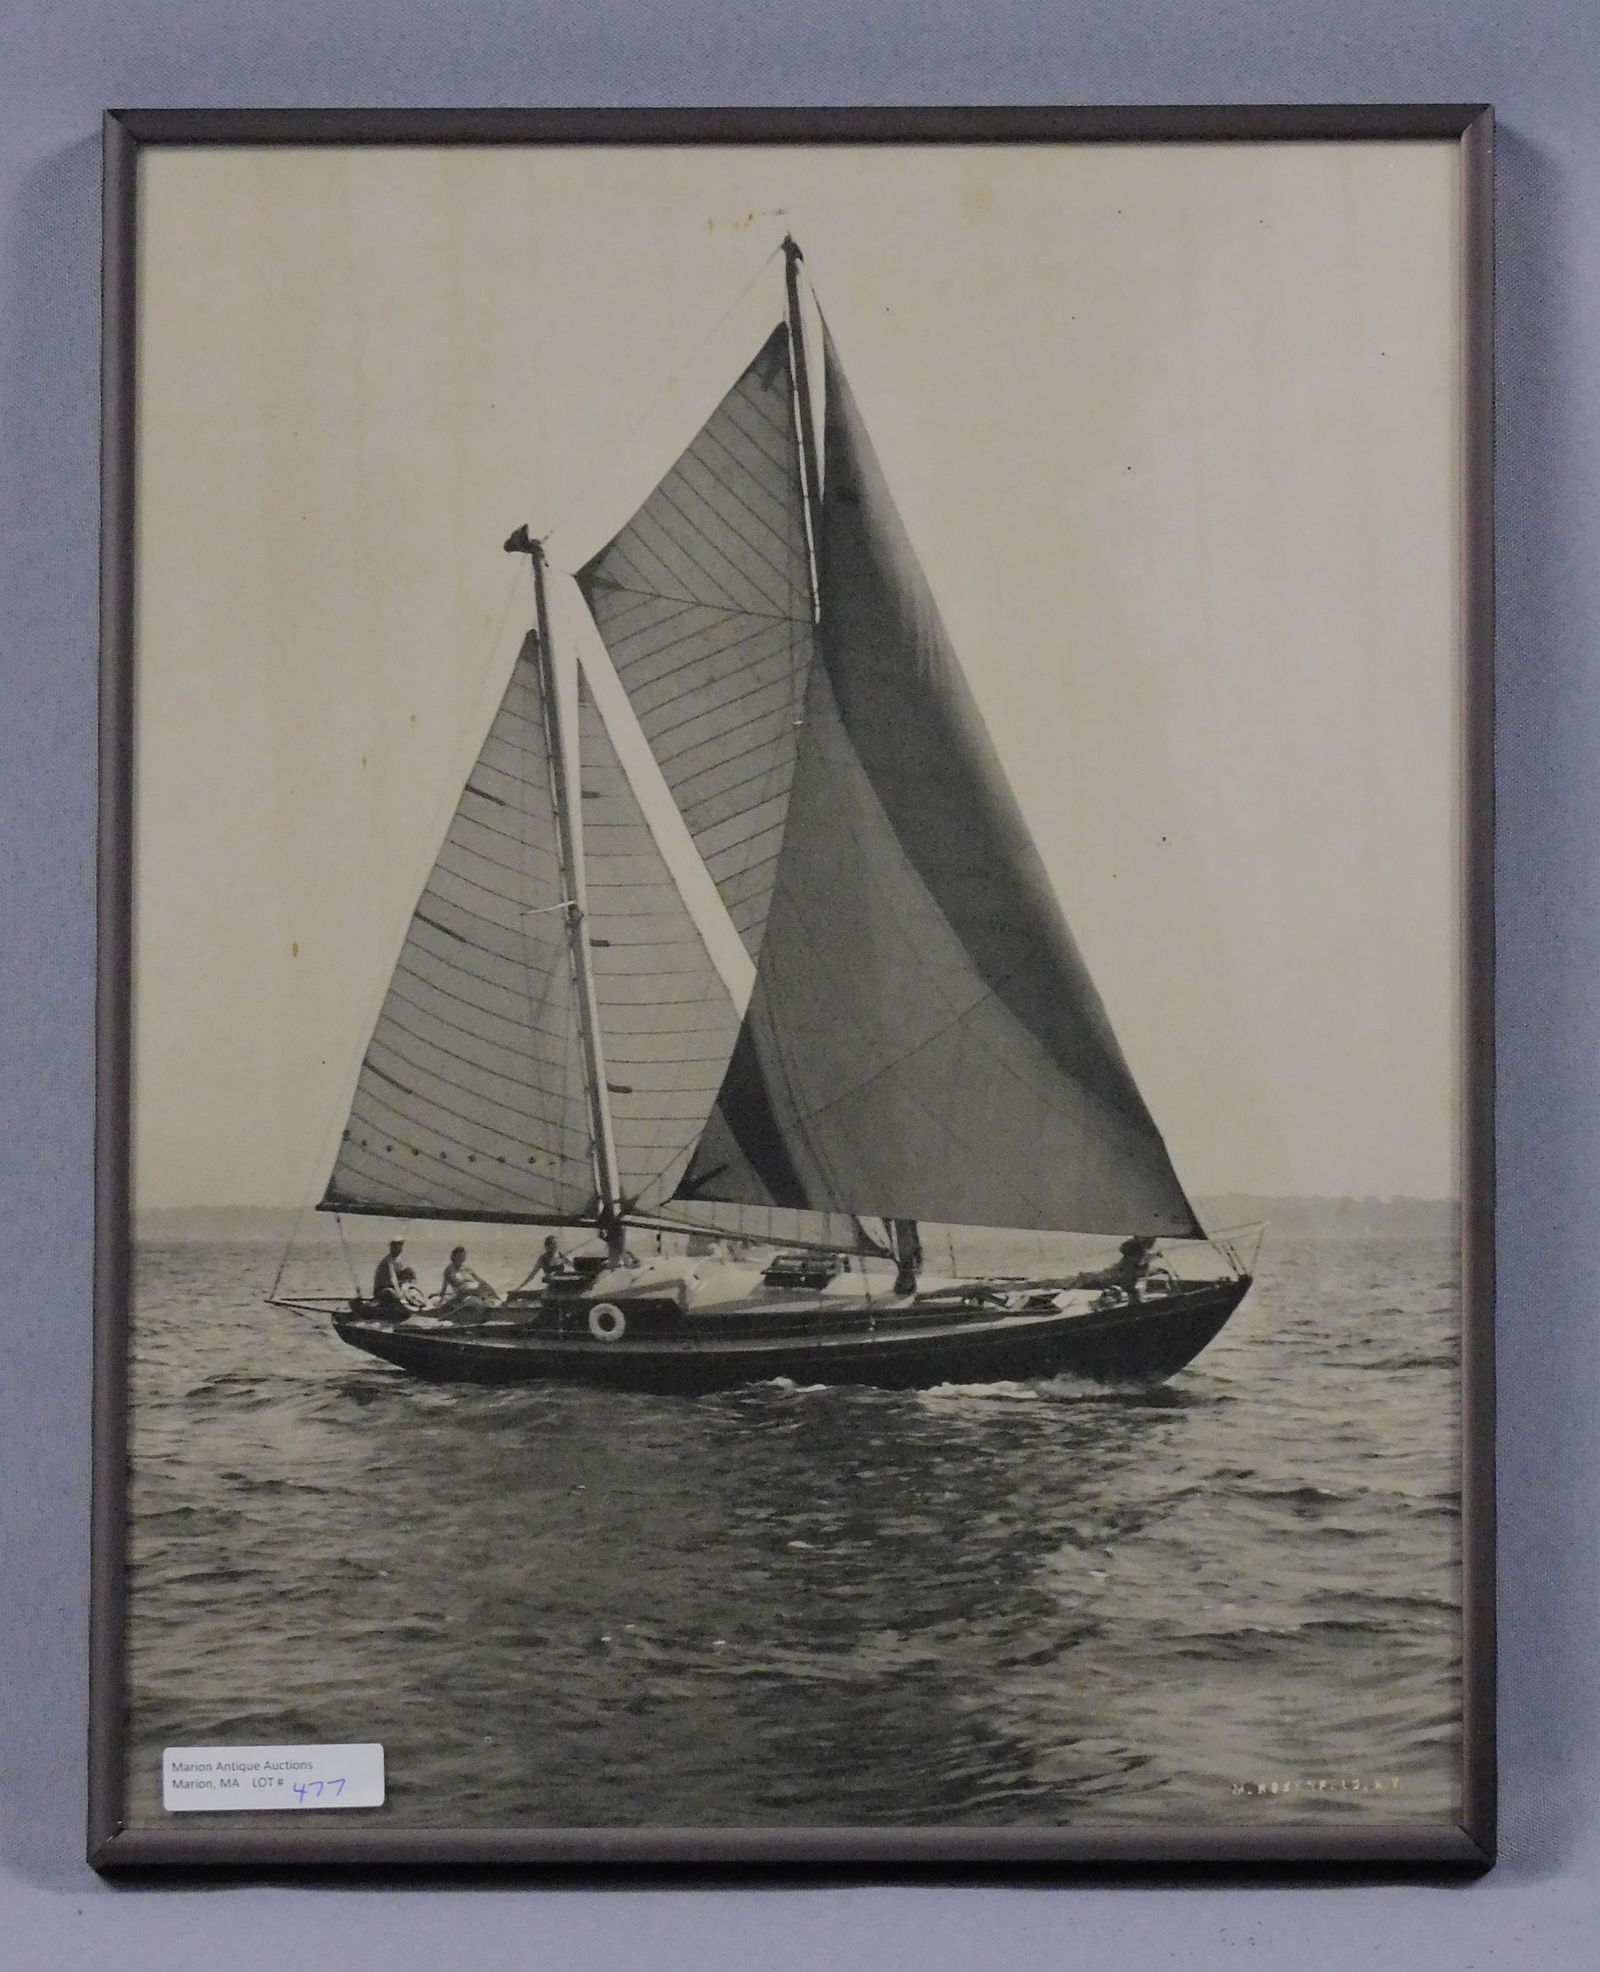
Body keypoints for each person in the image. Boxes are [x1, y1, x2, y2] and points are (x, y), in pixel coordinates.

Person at [436, 1245, 504, 1315]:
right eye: (459, 1256)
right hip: (461, 1293)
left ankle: (494, 1305)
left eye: (463, 1256)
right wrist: (441, 1299)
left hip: (475, 1291)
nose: (461, 1258)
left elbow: (480, 1281)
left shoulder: (467, 1269)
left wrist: (491, 1291)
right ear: (454, 1256)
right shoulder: (449, 1270)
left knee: (485, 1289)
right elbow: (445, 1285)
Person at [372, 1239, 426, 1315]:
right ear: (393, 1247)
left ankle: (418, 1304)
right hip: (382, 1289)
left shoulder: (398, 1259)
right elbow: (392, 1278)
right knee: (392, 1293)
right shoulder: (388, 1261)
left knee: (409, 1272)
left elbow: (405, 1273)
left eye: (401, 1246)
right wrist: (400, 1294)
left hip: (392, 1286)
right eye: (398, 1247)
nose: (401, 1249)